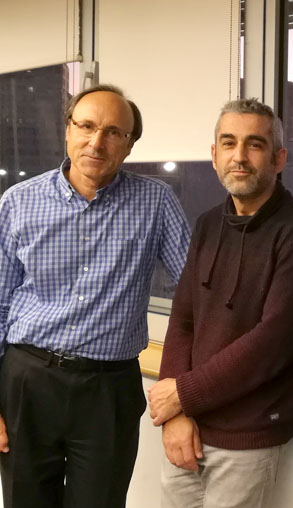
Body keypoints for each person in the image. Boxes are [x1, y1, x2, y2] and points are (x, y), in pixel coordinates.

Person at [0, 84, 191, 507]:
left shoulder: (155, 201)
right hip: (27, 380)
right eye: (85, 126)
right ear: (67, 131)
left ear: (129, 144)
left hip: (109, 388)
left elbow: (198, 292)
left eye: (113, 132)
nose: (96, 141)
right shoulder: (18, 202)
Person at [148, 98, 293, 508]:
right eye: (228, 143)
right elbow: (183, 319)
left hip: (248, 439)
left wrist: (182, 396)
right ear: (214, 155)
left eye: (255, 144)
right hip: (186, 429)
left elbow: (274, 343)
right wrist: (175, 414)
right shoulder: (208, 223)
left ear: (279, 158)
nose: (239, 156)